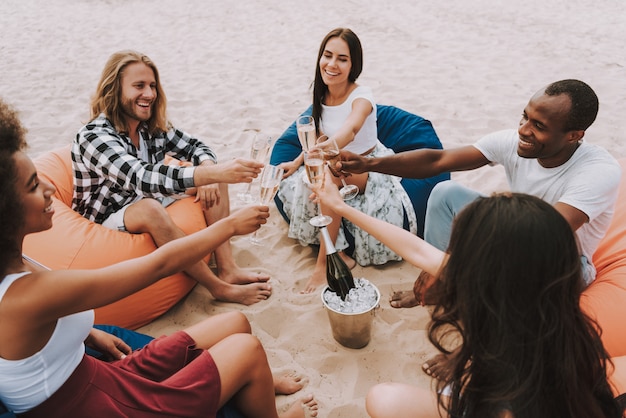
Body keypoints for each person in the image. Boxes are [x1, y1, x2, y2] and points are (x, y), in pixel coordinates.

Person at [0, 98, 318, 418]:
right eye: (32, 185)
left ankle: (252, 383)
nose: (49, 189)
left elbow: (40, 331)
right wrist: (229, 226)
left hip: (97, 375)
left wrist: (91, 333)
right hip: (99, 405)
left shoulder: (14, 261)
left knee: (234, 323)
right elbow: (158, 265)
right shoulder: (26, 295)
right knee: (246, 350)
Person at [313, 175, 623, 417]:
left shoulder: (522, 379)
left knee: (383, 398)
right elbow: (417, 249)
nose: (450, 260)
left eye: (460, 251)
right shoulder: (537, 304)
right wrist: (340, 207)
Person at [338, 79, 621, 308]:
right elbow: (438, 160)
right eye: (525, 116)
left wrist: (456, 265)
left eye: (539, 126)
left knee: (512, 265)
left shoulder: (597, 171)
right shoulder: (517, 142)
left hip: (561, 262)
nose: (523, 130)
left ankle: (463, 313)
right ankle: (441, 281)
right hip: (514, 228)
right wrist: (370, 164)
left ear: (574, 135)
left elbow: (544, 234)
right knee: (444, 192)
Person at [72, 50, 271, 306]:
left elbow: (197, 146)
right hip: (105, 219)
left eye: (153, 86)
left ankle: (227, 267)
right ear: (115, 89)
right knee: (151, 208)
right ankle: (218, 288)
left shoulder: (150, 127)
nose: (150, 94)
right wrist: (210, 172)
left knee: (214, 177)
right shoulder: (94, 136)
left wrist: (209, 168)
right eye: (139, 86)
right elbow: (141, 177)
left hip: (143, 197)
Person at [276, 28, 418, 293]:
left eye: (342, 58)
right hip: (334, 162)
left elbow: (351, 129)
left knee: (325, 176)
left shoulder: (362, 95)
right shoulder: (321, 96)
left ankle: (324, 264)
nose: (332, 64)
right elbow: (316, 139)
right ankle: (340, 252)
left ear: (354, 65)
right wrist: (297, 162)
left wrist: (329, 149)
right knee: (313, 177)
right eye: (327, 56)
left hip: (364, 165)